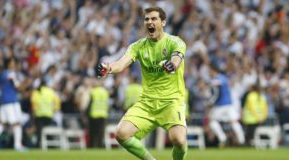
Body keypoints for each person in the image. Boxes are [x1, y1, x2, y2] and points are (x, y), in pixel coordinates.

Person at [97, 7, 187, 160]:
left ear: (163, 22)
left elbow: (176, 59)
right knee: (121, 134)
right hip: (147, 102)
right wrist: (109, 68)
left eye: (153, 19)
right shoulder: (137, 46)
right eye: (147, 19)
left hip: (171, 101)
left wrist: (171, 65)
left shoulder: (175, 41)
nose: (149, 22)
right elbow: (121, 63)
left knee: (178, 140)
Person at [0, 58, 26, 151]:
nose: (14, 65)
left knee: (3, 124)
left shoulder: (3, 74)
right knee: (16, 123)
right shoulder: (10, 74)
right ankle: (17, 145)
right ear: (8, 64)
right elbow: (18, 87)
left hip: (4, 102)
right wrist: (26, 83)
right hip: (11, 102)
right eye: (12, 63)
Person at [207, 63, 245, 146]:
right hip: (229, 105)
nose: (209, 73)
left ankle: (223, 138)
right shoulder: (224, 78)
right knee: (234, 122)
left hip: (220, 105)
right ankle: (242, 140)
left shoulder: (216, 80)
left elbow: (216, 94)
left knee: (212, 122)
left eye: (210, 71)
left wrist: (210, 103)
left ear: (213, 71)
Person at [30, 79, 61, 147]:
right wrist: (55, 110)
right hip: (49, 115)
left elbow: (33, 104)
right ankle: (51, 146)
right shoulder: (50, 91)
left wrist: (33, 114)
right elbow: (57, 102)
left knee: (39, 132)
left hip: (39, 115)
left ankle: (38, 145)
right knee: (49, 132)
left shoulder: (36, 92)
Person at [87, 79, 110, 148]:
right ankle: (100, 146)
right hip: (103, 114)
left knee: (92, 132)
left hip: (93, 114)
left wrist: (86, 113)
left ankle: (91, 146)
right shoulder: (105, 92)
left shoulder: (93, 91)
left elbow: (90, 104)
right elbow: (107, 104)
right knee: (101, 133)